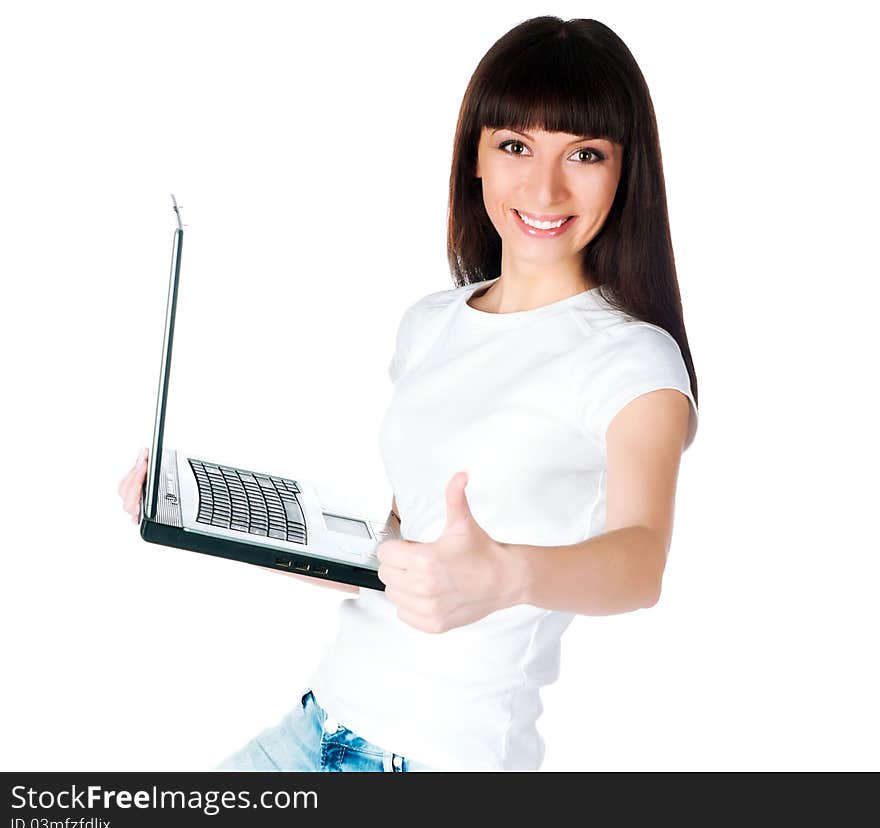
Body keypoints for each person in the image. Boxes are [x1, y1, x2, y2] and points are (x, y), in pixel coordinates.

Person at [118, 16, 699, 772]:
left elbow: (639, 562)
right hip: (322, 719)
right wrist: (214, 520)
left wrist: (508, 573)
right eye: (515, 146)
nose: (545, 187)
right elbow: (398, 545)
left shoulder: (634, 360)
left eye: (584, 154)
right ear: (477, 160)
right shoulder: (431, 324)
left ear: (625, 172)